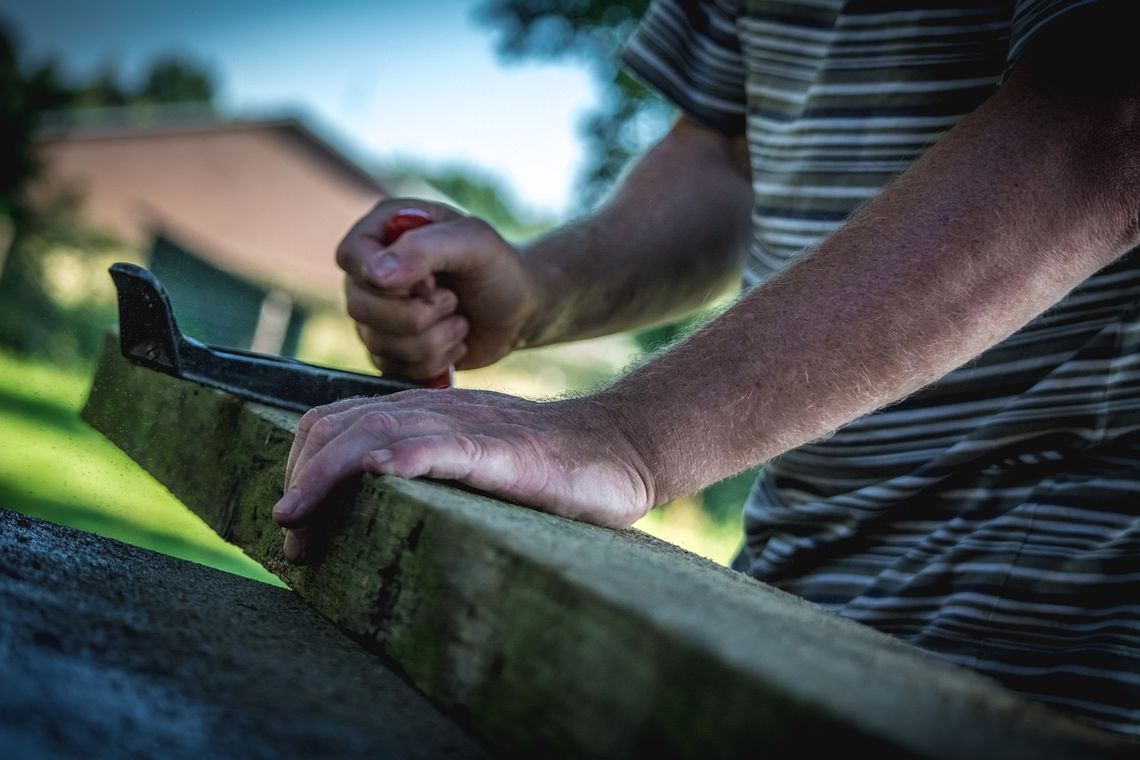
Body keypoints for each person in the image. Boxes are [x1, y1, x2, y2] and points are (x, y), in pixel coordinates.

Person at [273, 0, 1140, 736]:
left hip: (1055, 643)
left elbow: (1105, 125)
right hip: (786, 588)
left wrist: (628, 434)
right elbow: (726, 159)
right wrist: (541, 291)